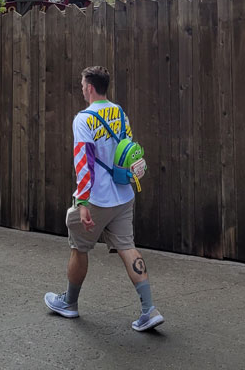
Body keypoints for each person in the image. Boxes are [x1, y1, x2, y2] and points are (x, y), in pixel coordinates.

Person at [44, 65, 164, 332]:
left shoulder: (83, 119)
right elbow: (129, 149)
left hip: (96, 198)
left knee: (79, 248)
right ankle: (149, 309)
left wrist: (83, 203)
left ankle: (70, 304)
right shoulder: (120, 113)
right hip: (123, 194)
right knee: (127, 246)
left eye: (82, 85)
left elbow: (83, 163)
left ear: (89, 87)